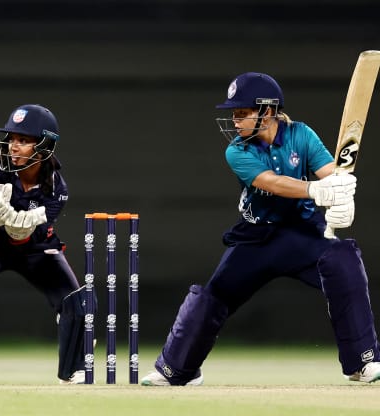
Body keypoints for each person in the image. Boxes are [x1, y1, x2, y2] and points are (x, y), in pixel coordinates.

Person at [141, 72, 380, 386]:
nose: (236, 121)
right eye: (234, 114)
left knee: (344, 259)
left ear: (267, 111)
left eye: (243, 113)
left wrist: (342, 190)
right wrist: (317, 191)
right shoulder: (237, 151)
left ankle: (363, 361)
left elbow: (330, 175)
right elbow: (272, 183)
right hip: (257, 239)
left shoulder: (301, 135)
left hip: (303, 234)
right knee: (214, 296)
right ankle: (176, 369)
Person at [0, 104, 89, 384]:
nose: (13, 146)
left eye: (23, 140)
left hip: (34, 250)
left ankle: (73, 370)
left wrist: (21, 231)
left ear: (44, 147)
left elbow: (38, 231)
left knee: (78, 304)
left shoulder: (57, 188)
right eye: (12, 139)